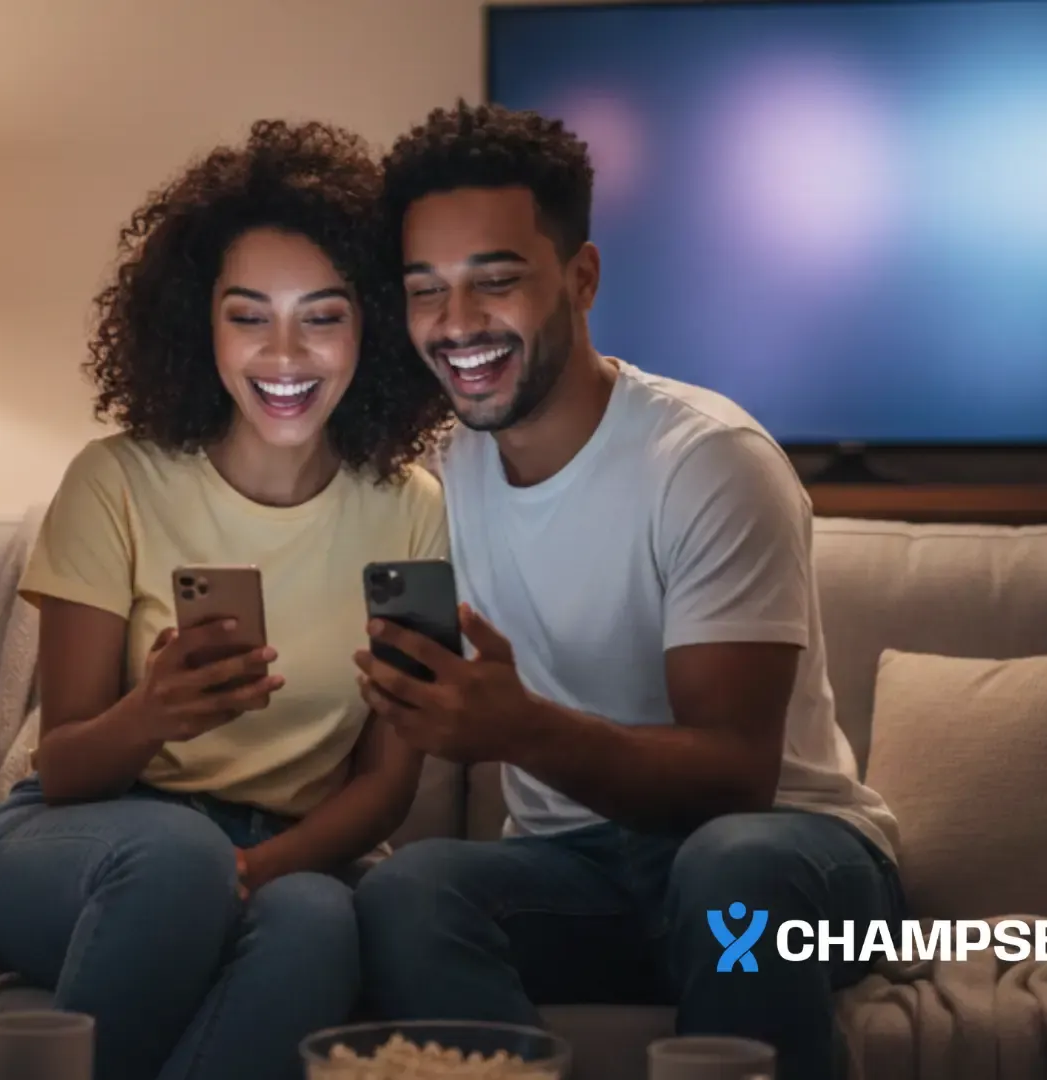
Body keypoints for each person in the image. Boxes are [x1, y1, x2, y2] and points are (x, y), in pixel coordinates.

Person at [349, 102, 906, 1080]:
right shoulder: (439, 477)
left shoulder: (707, 461)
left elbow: (732, 779)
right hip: (578, 880)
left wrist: (520, 728)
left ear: (582, 276)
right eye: (426, 290)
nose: (457, 323)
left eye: (497, 280)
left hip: (790, 868)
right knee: (412, 890)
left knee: (731, 871)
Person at [0, 119, 452, 1080]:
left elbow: (386, 785)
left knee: (321, 921)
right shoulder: (113, 481)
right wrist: (153, 713)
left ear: (373, 325)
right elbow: (63, 768)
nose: (285, 352)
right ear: (200, 322)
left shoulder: (413, 510)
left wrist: (256, 873)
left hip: (281, 855)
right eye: (249, 314)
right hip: (75, 843)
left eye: (325, 314)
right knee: (177, 860)